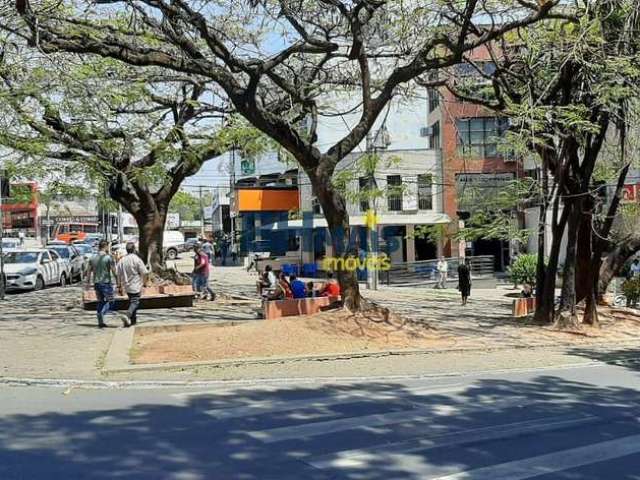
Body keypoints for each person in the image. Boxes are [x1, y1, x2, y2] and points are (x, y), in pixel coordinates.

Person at [86, 239, 126, 328]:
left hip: (96, 283)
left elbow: (88, 272)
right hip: (106, 283)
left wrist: (87, 284)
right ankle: (101, 313)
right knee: (111, 301)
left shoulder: (92, 258)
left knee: (100, 301)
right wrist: (118, 282)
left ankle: (100, 322)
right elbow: (114, 271)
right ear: (105, 247)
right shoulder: (108, 258)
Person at [116, 242, 148, 326]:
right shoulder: (136, 259)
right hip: (136, 284)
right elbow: (144, 272)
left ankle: (133, 321)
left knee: (132, 302)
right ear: (134, 249)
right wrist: (145, 283)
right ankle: (128, 315)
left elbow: (118, 274)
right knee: (135, 302)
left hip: (126, 285)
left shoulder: (122, 260)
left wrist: (119, 286)